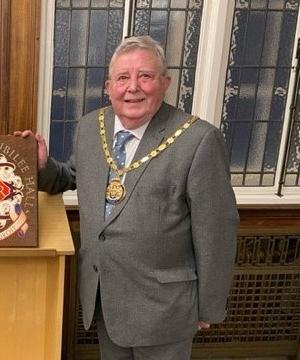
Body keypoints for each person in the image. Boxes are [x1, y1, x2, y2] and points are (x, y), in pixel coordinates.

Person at [17, 35, 239, 359]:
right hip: (106, 300)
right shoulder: (91, 127)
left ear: (165, 83)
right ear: (109, 86)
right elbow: (73, 177)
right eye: (123, 77)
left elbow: (217, 232)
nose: (133, 87)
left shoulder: (199, 140)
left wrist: (209, 306)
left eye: (145, 76)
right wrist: (42, 166)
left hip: (164, 311)